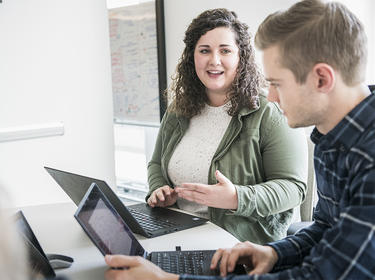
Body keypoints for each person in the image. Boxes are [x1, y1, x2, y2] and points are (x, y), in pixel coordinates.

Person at [104, 0, 375, 279]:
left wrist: (170, 279)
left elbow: (320, 275)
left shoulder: (369, 158)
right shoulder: (333, 141)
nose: (271, 97)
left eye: (278, 84)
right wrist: (276, 253)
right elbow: (325, 229)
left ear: (321, 79)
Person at [146, 8, 307, 244]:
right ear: (192, 57)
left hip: (241, 244)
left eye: (225, 50)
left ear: (240, 57)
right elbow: (157, 163)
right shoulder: (178, 108)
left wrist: (237, 198)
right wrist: (158, 189)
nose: (214, 60)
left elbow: (293, 188)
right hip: (175, 233)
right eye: (204, 50)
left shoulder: (268, 111)